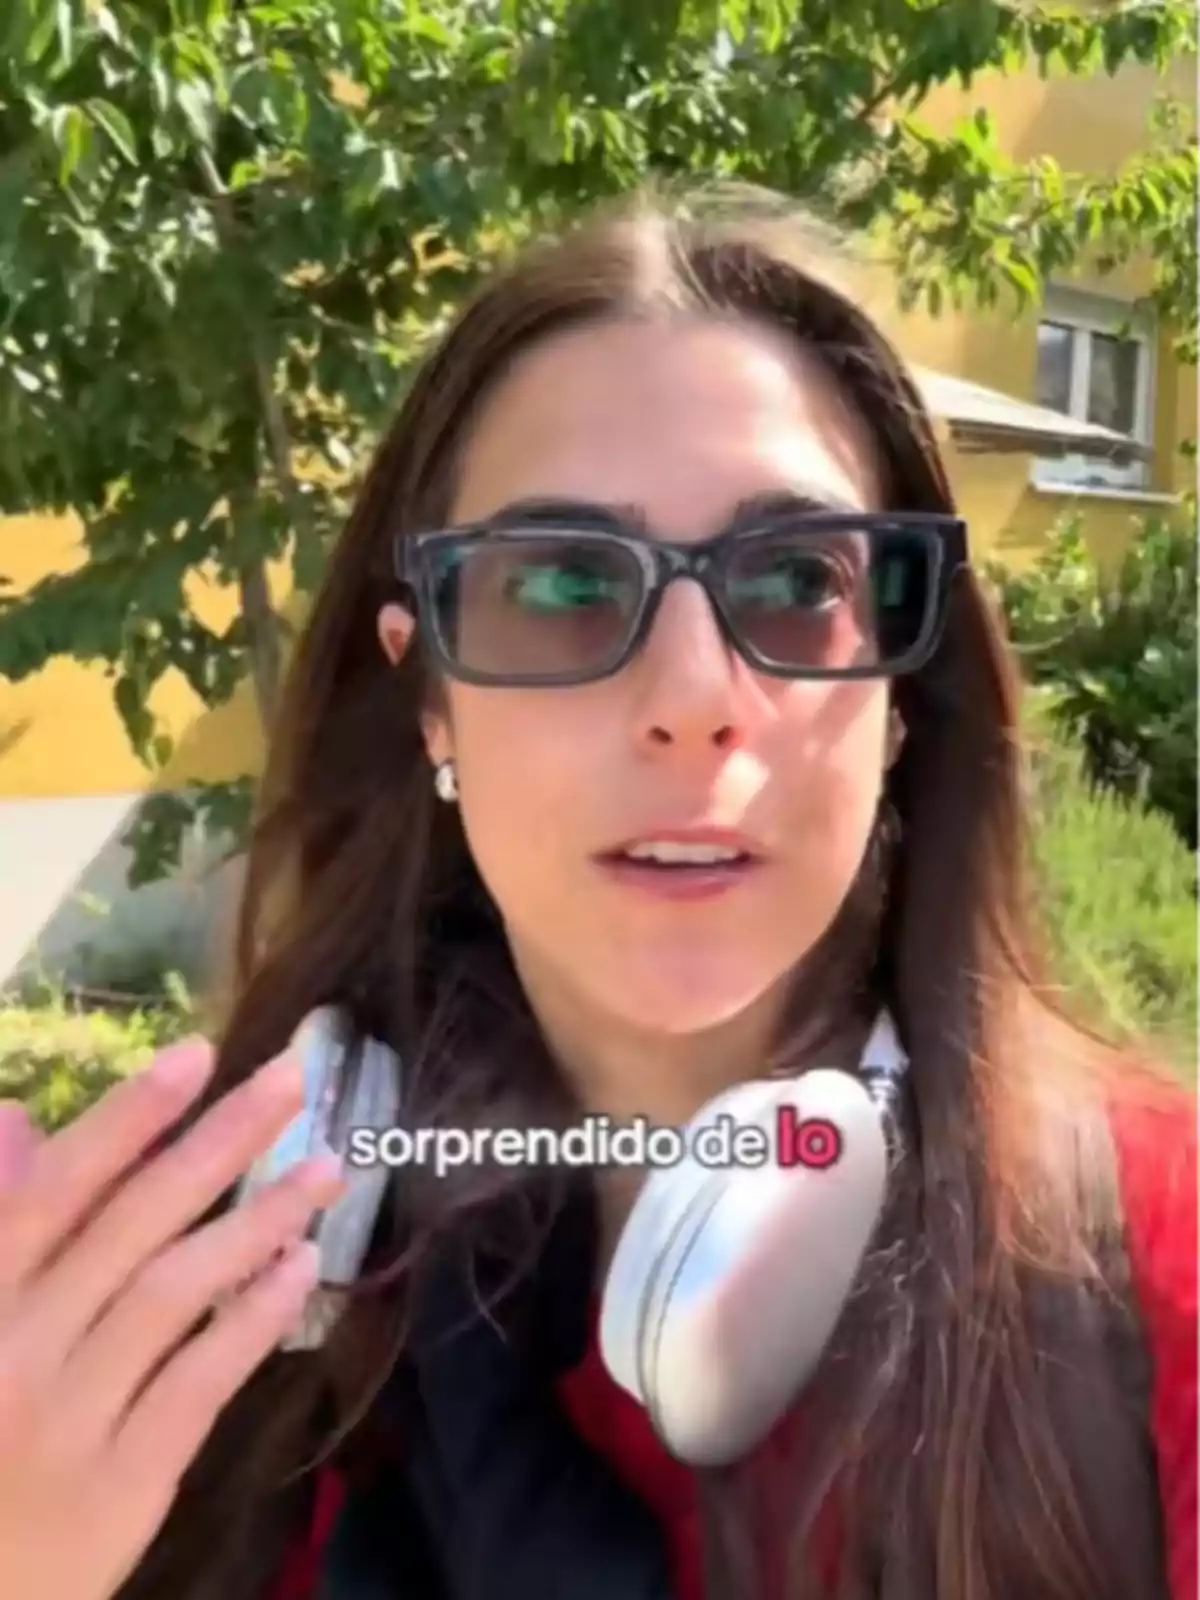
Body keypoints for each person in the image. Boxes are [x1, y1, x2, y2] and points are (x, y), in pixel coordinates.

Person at [0, 192, 1194, 1600]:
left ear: (901, 701)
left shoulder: (1155, 1275)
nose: (693, 701)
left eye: (798, 579)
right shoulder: (150, 1324)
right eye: (562, 580)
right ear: (431, 698)